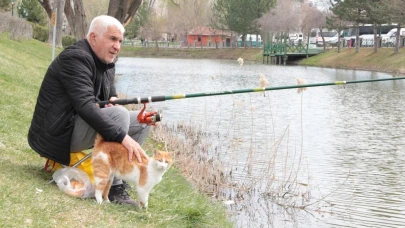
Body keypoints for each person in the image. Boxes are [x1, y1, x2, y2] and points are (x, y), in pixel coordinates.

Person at [28, 15, 151, 205]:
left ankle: (119, 177)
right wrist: (122, 136)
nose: (117, 46)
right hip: (58, 134)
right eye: (112, 39)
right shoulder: (75, 58)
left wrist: (113, 101)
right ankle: (114, 189)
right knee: (119, 116)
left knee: (142, 123)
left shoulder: (108, 62)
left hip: (77, 126)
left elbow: (109, 98)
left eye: (119, 41)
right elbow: (85, 106)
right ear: (93, 38)